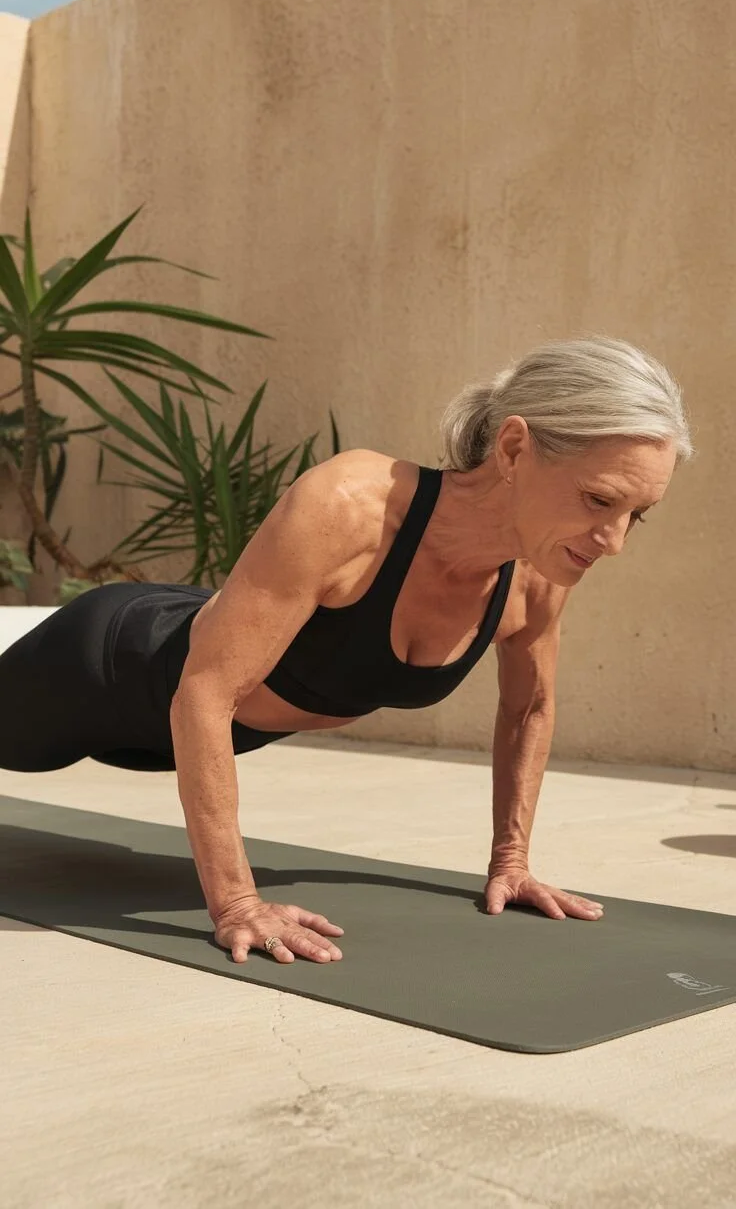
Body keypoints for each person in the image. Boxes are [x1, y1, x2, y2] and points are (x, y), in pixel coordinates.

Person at [0, 336, 692, 967]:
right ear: (513, 449)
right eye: (599, 499)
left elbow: (530, 709)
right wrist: (238, 903)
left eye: (636, 515)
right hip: (111, 668)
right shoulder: (354, 505)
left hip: (211, 731)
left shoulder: (538, 576)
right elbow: (205, 689)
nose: (615, 540)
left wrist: (511, 861)